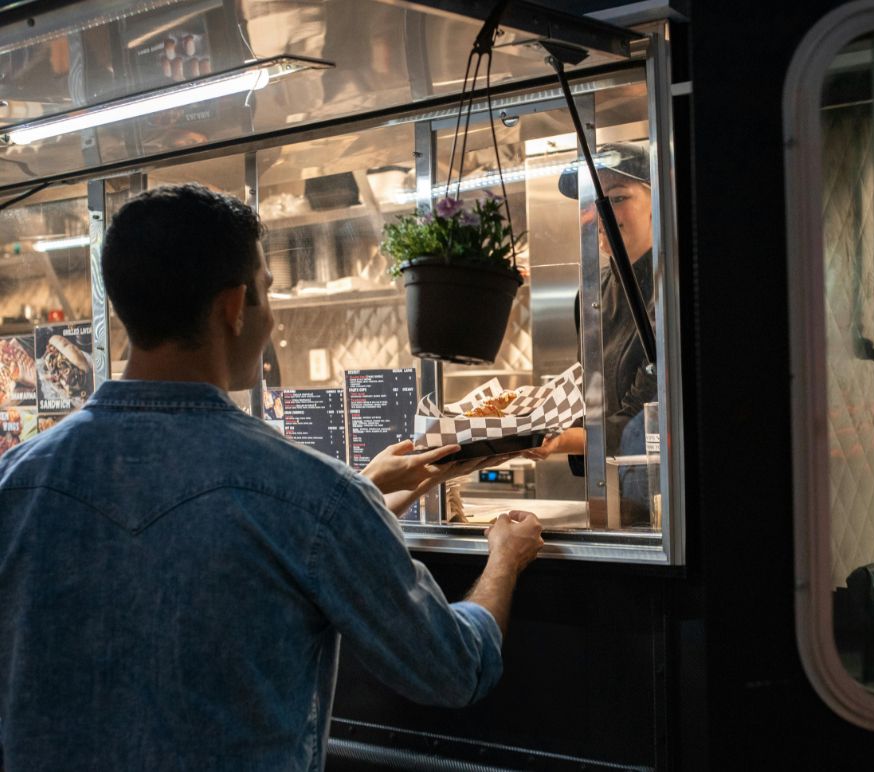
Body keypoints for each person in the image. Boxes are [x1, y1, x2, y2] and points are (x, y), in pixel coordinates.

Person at [0, 184, 543, 771]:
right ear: (234, 306)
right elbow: (452, 668)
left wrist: (362, 489)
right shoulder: (315, 498)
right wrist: (504, 559)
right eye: (267, 291)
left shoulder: (15, 480)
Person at [534, 141, 656, 469]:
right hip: (610, 489)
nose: (600, 213)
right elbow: (586, 396)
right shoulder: (591, 294)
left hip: (667, 488)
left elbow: (646, 418)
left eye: (616, 198)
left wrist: (560, 439)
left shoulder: (671, 292)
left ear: (656, 203)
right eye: (590, 202)